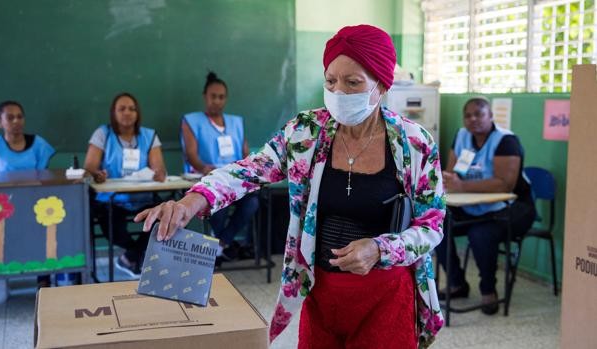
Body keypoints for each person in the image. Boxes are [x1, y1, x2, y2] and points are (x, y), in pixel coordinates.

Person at [136, 25, 446, 348]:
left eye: (352, 82)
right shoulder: (306, 133)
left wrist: (381, 249)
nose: (338, 92)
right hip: (322, 294)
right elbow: (248, 170)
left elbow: (432, 225)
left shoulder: (414, 144)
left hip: (385, 297)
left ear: (381, 85)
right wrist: (192, 201)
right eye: (330, 81)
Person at [436, 97, 536, 315]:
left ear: (490, 116)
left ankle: (488, 291)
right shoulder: (462, 136)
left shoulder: (506, 141)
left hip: (513, 207)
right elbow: (453, 173)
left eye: (479, 114)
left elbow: (505, 184)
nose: (473, 119)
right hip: (473, 203)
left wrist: (462, 186)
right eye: (468, 115)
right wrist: (449, 180)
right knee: (436, 222)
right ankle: (456, 283)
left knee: (480, 234)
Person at [84, 92, 166, 278]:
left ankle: (130, 257)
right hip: (111, 200)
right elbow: (89, 169)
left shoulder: (149, 135)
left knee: (164, 212)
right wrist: (97, 174)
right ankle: (135, 253)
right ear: (113, 112)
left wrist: (159, 173)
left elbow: (159, 169)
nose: (127, 113)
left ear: (138, 113)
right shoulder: (102, 134)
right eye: (122, 109)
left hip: (143, 197)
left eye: (132, 109)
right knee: (113, 228)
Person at [180, 72, 258, 260]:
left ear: (226, 99)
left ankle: (220, 244)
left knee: (253, 202)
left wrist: (251, 172)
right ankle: (220, 246)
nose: (217, 101)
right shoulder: (191, 121)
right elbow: (191, 154)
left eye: (221, 97)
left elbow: (245, 153)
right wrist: (205, 168)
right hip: (209, 180)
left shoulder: (236, 122)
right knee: (219, 206)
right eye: (213, 96)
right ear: (205, 97)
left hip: (235, 180)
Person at [0, 101, 55, 289]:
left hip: (34, 203)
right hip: (3, 208)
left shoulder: (39, 145)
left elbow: (43, 176)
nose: (16, 121)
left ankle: (43, 280)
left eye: (20, 116)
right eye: (10, 117)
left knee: (42, 233)